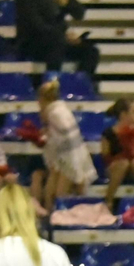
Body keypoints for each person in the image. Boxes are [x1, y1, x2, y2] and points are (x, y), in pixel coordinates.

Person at [16, 0, 99, 78]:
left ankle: (80, 84)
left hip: (57, 39)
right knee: (56, 44)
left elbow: (79, 13)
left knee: (91, 51)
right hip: (32, 41)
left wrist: (68, 3)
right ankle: (52, 83)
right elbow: (35, 24)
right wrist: (62, 36)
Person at [36, 79, 98, 208]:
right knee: (55, 187)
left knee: (62, 196)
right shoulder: (60, 109)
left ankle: (58, 214)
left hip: (69, 158)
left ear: (42, 98)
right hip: (70, 156)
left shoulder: (54, 113)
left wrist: (45, 139)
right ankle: (51, 213)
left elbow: (65, 136)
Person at [101, 98, 134, 210]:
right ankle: (108, 199)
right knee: (123, 163)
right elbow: (106, 155)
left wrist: (132, 138)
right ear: (123, 115)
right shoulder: (108, 133)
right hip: (114, 166)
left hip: (132, 165)